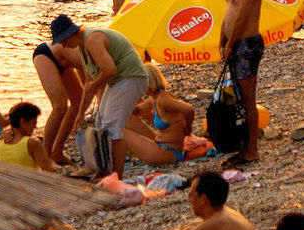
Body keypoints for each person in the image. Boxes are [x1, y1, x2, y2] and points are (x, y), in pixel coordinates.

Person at [53, 14, 148, 180]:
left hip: (131, 77)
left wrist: (94, 85)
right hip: (118, 80)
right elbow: (89, 84)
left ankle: (116, 176)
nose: (62, 44)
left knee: (113, 129)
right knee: (100, 123)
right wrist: (80, 113)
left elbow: (110, 69)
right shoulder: (82, 49)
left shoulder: (92, 40)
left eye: (63, 40)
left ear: (71, 34)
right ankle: (103, 170)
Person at [215, 0, 265, 163]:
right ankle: (243, 146)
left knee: (247, 98)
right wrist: (222, 39)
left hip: (246, 43)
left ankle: (251, 149)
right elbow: (229, 13)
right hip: (235, 41)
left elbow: (243, 16)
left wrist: (231, 43)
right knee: (235, 97)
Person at [123, 63, 194, 165]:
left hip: (170, 151)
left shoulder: (163, 100)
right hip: (161, 144)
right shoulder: (154, 98)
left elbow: (189, 109)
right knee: (127, 120)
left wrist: (188, 129)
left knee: (121, 132)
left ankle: (116, 167)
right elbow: (136, 110)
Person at [32, 36, 85, 165]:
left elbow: (85, 77)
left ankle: (57, 151)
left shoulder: (100, 55)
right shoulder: (95, 53)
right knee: (60, 106)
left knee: (78, 100)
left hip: (65, 60)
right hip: (46, 54)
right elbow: (92, 81)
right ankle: (46, 156)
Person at [0, 101, 60, 172]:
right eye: (34, 123)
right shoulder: (32, 144)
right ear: (22, 122)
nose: (35, 127)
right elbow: (48, 172)